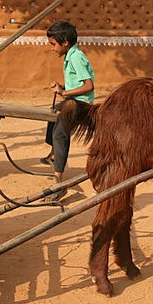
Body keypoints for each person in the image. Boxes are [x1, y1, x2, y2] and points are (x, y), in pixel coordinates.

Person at [43, 21, 95, 199]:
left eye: (53, 44)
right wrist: (62, 87)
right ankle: (53, 154)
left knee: (60, 134)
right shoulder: (70, 55)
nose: (52, 48)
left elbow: (88, 86)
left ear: (64, 42)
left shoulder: (76, 57)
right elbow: (77, 83)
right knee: (52, 112)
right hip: (73, 99)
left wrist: (63, 92)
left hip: (81, 104)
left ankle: (59, 180)